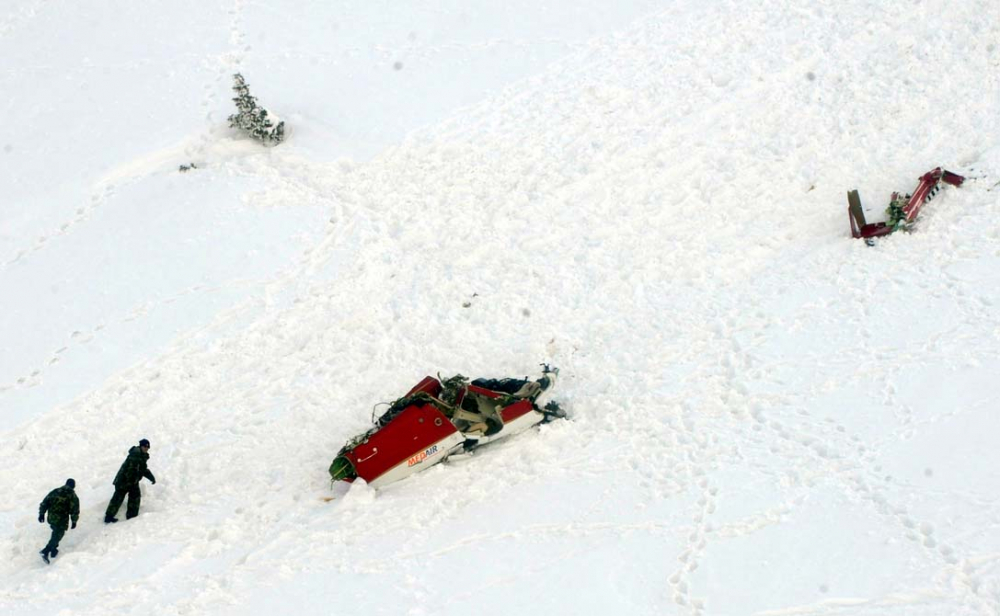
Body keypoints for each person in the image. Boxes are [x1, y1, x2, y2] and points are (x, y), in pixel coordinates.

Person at [104, 438, 156, 523]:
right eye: (145, 447)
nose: (146, 449)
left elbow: (143, 469)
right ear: (141, 446)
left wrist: (151, 477)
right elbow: (131, 470)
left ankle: (130, 516)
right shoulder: (135, 455)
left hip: (130, 481)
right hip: (124, 481)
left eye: (147, 447)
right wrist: (131, 483)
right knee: (118, 498)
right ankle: (111, 517)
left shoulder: (141, 455)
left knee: (131, 497)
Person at [38, 478, 80, 563]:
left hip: (51, 517)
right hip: (61, 520)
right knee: (58, 534)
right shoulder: (72, 495)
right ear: (73, 486)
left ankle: (54, 549)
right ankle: (46, 550)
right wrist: (74, 521)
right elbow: (74, 510)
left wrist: (41, 514)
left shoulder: (55, 491)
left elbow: (45, 502)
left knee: (55, 533)